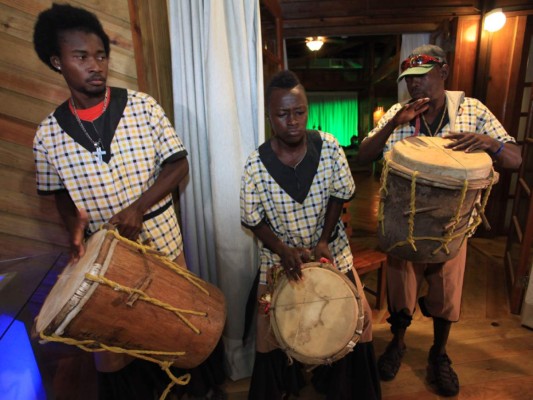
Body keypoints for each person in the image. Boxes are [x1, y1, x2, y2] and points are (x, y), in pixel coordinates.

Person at [32, 4, 225, 399]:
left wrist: (139, 207)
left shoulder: (142, 107)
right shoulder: (47, 136)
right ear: (57, 62)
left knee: (180, 333)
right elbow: (59, 196)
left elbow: (178, 165)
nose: (95, 66)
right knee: (118, 355)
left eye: (100, 55)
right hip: (107, 267)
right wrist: (75, 229)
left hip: (165, 249)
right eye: (81, 57)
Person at [358, 44, 522, 397]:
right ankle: (398, 343)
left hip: (452, 228)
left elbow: (515, 158)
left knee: (448, 294)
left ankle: (439, 354)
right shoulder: (400, 114)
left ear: (443, 73)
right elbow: (365, 154)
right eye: (409, 80)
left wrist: (488, 143)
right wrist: (393, 125)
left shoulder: (472, 110)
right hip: (406, 224)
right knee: (402, 292)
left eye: (422, 77)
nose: (414, 86)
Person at [240, 70, 381, 400]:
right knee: (269, 332)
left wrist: (322, 240)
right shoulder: (255, 165)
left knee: (358, 317)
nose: (292, 121)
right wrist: (282, 249)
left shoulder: (329, 147)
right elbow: (252, 220)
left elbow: (339, 194)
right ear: (269, 116)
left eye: (299, 112)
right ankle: (283, 387)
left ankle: (341, 386)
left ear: (307, 109)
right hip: (278, 255)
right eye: (282, 114)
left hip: (328, 247)